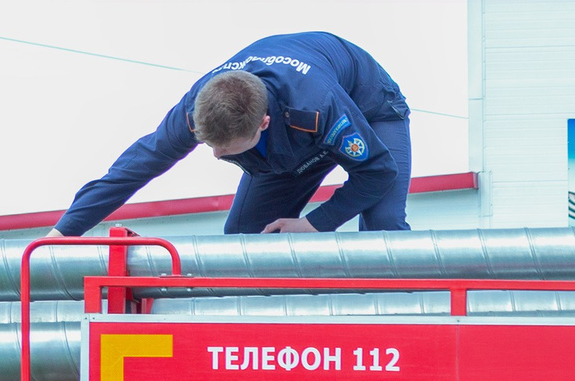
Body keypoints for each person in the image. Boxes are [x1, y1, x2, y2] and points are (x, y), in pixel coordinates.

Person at [49, 32, 414, 237]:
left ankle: (403, 333)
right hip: (292, 140)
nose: (217, 156)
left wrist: (313, 224)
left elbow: (377, 172)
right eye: (211, 145)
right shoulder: (198, 107)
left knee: (383, 223)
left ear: (263, 123)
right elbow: (135, 167)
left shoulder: (317, 104)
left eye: (226, 149)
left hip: (369, 108)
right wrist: (62, 234)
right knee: (245, 238)